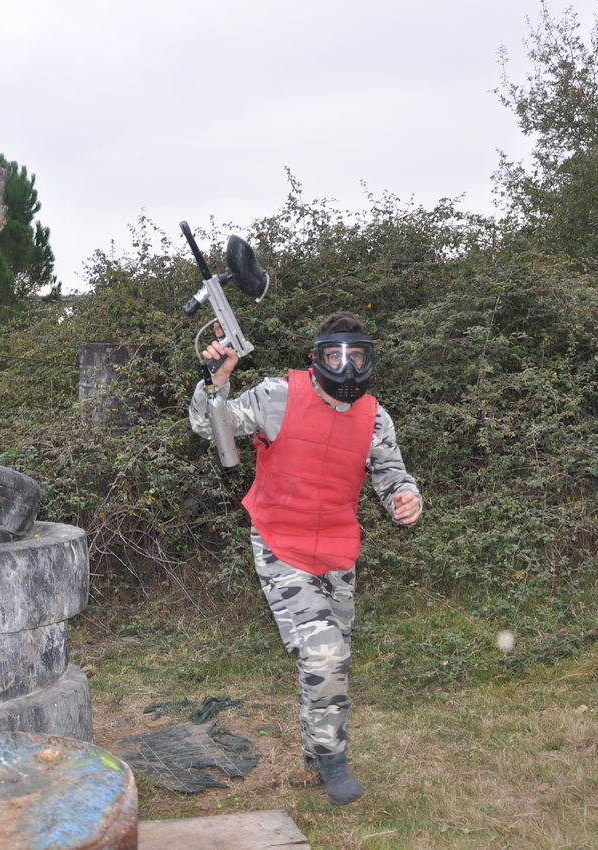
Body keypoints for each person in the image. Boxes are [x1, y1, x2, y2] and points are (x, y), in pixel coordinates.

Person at [188, 311, 422, 805]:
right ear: (316, 358)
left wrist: (405, 496)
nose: (346, 365)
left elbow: (391, 474)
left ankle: (316, 753)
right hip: (279, 540)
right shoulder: (277, 395)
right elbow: (210, 427)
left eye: (355, 356)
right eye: (335, 354)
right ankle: (333, 758)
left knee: (331, 658)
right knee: (323, 651)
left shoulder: (375, 416)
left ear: (367, 360)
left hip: (338, 549)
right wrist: (218, 381)